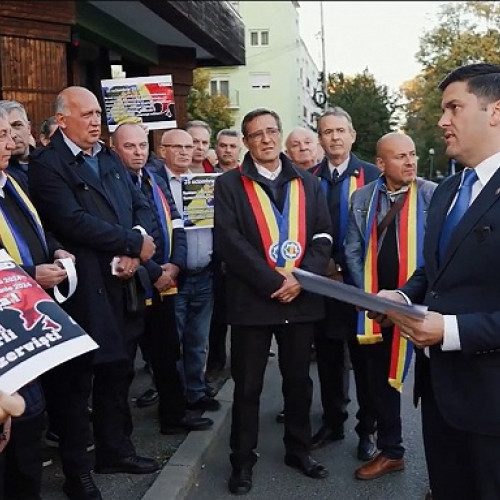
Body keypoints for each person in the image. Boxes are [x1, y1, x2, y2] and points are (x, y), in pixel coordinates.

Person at [371, 63, 500, 500]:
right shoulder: (446, 190)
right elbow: (435, 270)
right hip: (440, 394)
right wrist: (403, 294)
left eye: (454, 108)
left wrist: (448, 330)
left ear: (495, 112)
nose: (443, 121)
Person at [28, 86, 158, 500]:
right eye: (85, 114)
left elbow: (141, 206)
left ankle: (115, 450)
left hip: (124, 286)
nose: (95, 120)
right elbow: (72, 222)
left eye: (97, 113)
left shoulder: (107, 156)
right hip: (83, 293)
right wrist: (130, 243)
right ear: (62, 120)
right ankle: (77, 472)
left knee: (118, 374)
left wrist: (135, 249)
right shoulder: (48, 165)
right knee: (75, 385)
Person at [214, 108, 332, 495]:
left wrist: (299, 278)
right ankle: (242, 462)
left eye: (271, 131)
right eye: (256, 134)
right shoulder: (229, 184)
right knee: (247, 387)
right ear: (246, 142)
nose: (266, 139)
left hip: (299, 300)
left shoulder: (309, 182)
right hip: (253, 300)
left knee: (299, 382)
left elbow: (323, 235)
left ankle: (299, 450)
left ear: (279, 134)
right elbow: (230, 242)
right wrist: (272, 281)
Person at [344, 132, 436, 480]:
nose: (410, 161)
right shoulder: (363, 197)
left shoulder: (431, 193)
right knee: (381, 381)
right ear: (380, 164)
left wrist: (411, 295)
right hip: (378, 307)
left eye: (412, 154)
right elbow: (352, 249)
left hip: (423, 305)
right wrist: (368, 297)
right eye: (400, 156)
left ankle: (445, 472)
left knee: (435, 385)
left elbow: (438, 251)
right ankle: (392, 450)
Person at [111, 122, 213, 434]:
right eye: (131, 146)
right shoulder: (119, 183)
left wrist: (175, 266)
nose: (138, 152)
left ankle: (176, 414)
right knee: (127, 362)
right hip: (137, 283)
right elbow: (132, 238)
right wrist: (156, 271)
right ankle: (120, 437)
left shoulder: (153, 183)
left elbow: (176, 224)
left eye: (142, 145)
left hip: (169, 277)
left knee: (169, 352)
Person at [0, 107, 73, 500]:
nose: (10, 143)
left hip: (26, 328)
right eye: (0, 137)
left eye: (10, 134)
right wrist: (31, 274)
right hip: (4, 339)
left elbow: (33, 231)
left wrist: (56, 250)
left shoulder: (12, 183)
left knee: (29, 426)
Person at [308, 107, 380, 460]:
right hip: (323, 283)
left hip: (363, 286)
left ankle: (367, 430)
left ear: (352, 135)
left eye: (340, 130)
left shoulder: (372, 175)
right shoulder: (307, 177)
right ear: (319, 138)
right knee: (328, 356)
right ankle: (333, 421)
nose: (334, 137)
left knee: (366, 361)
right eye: (326, 131)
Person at [205, 129, 242, 384]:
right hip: (213, 254)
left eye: (232, 146)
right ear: (216, 148)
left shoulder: (246, 177)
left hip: (241, 256)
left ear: (239, 149)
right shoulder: (203, 176)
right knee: (216, 316)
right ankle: (216, 363)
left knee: (240, 315)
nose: (227, 150)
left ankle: (239, 363)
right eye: (222, 145)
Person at [0, 100, 34, 188]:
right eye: (4, 133)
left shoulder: (50, 161)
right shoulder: (3, 175)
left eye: (17, 125)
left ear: (29, 128)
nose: (12, 135)